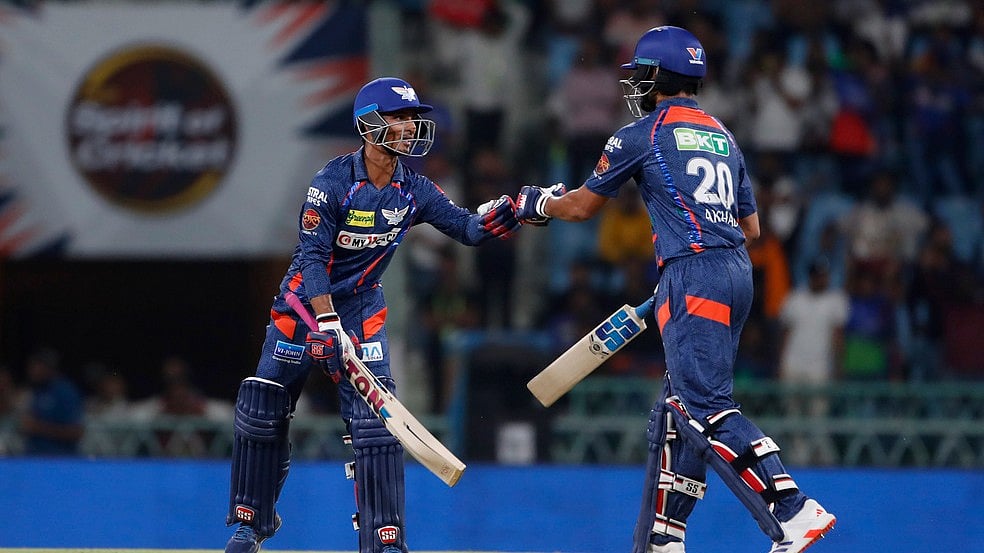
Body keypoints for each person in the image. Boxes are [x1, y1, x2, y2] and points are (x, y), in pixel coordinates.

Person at [514, 26, 836, 553]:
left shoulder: (639, 135)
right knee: (674, 409)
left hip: (695, 273)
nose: (635, 84)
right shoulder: (723, 135)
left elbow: (579, 207)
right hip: (735, 273)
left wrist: (534, 204)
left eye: (641, 74)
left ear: (658, 77)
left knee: (703, 405)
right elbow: (751, 229)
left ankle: (794, 509)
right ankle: (665, 537)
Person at [224, 76, 520, 553]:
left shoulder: (415, 188)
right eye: (398, 118)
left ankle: (384, 538)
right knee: (263, 410)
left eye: (410, 118)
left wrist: (512, 213)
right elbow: (313, 258)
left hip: (361, 310)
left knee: (376, 428)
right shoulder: (331, 184)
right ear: (368, 126)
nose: (408, 127)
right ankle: (252, 525)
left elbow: (466, 228)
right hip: (302, 307)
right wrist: (324, 322)